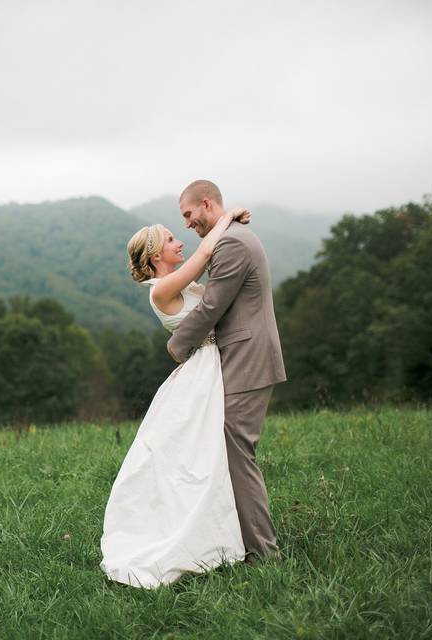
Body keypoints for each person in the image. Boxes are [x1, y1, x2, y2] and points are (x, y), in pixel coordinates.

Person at [99, 202, 251, 589]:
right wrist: (226, 218)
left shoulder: (176, 283)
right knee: (196, 460)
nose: (179, 242)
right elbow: (203, 255)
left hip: (212, 367)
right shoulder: (162, 289)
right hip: (200, 373)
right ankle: (190, 538)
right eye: (170, 239)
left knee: (206, 456)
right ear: (155, 256)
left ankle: (220, 534)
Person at [168, 179, 286, 564]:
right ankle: (242, 542)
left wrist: (177, 344)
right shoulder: (231, 235)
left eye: (188, 214)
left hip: (248, 358)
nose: (187, 223)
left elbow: (212, 306)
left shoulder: (232, 243)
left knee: (237, 451)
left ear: (206, 204)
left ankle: (263, 553)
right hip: (243, 358)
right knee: (233, 447)